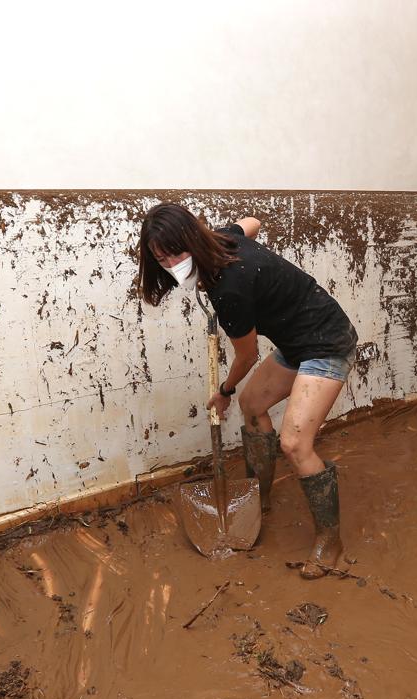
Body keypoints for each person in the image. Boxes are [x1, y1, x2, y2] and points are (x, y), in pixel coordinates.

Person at [137, 203, 358, 578]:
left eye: (176, 252)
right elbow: (252, 223)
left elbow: (247, 355)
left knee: (294, 443)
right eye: (161, 257)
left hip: (327, 342)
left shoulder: (230, 289)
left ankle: (329, 541)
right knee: (252, 403)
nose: (171, 263)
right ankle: (260, 496)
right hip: (295, 342)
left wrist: (223, 390)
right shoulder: (223, 237)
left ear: (192, 239)